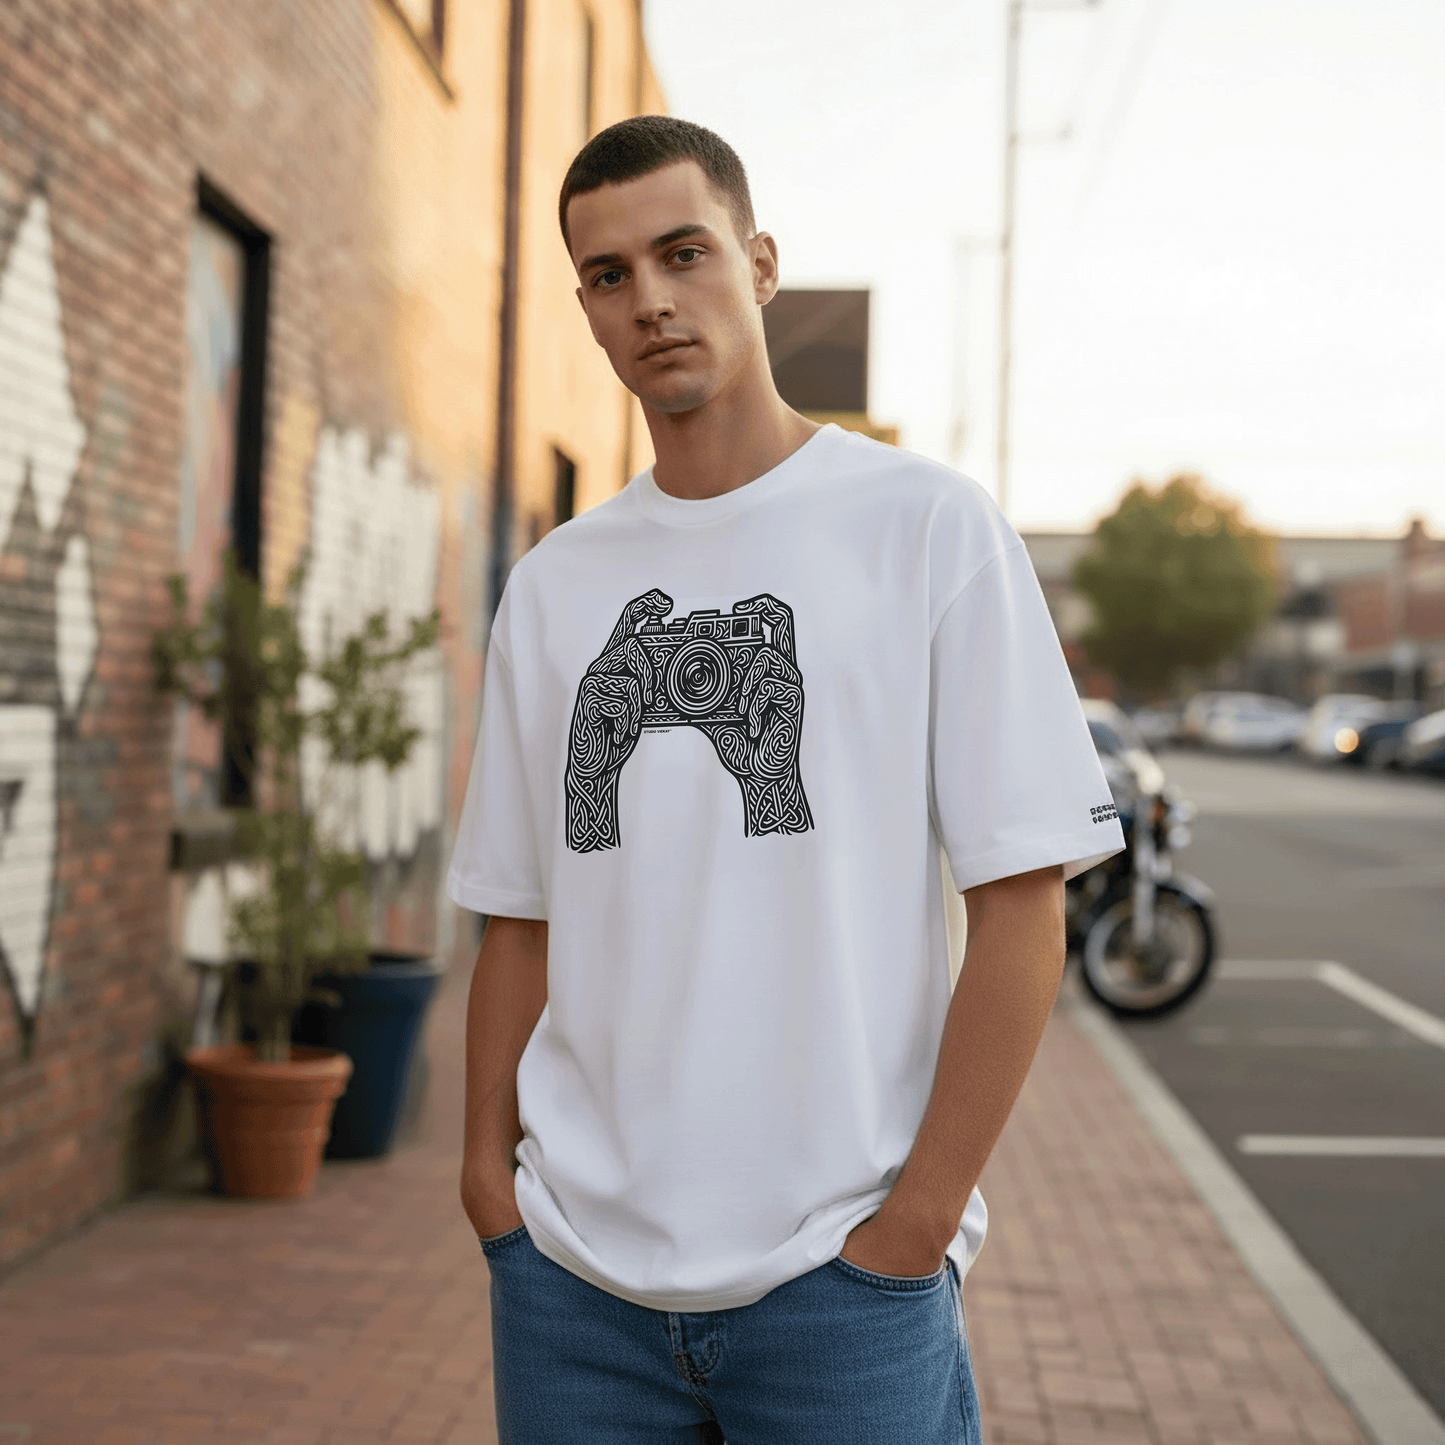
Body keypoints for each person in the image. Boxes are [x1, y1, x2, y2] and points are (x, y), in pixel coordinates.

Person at [449, 115, 1124, 1445]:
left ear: (759, 263)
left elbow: (1022, 903)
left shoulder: (927, 530)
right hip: (573, 1287)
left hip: (841, 1286)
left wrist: (917, 1223)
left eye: (683, 253)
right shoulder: (558, 585)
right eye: (608, 275)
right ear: (587, 309)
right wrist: (490, 1187)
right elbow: (519, 921)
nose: (650, 300)